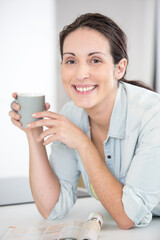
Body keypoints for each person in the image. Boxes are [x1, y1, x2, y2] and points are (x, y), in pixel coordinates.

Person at [9, 13, 160, 229]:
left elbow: (128, 218)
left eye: (95, 60)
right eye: (71, 60)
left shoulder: (153, 115)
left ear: (119, 68)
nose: (81, 74)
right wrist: (34, 133)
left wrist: (82, 143)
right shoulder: (71, 115)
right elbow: (52, 207)